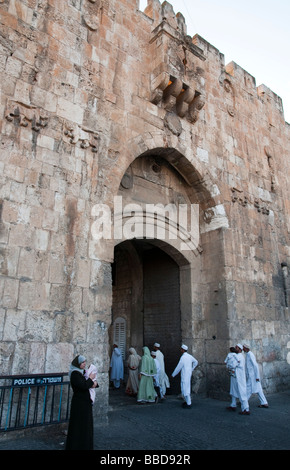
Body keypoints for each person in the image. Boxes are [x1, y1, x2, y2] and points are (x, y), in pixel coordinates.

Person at [66, 354, 97, 450]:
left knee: (85, 425)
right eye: (82, 362)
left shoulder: (81, 372)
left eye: (84, 362)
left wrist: (93, 383)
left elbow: (87, 383)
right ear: (77, 363)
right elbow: (83, 385)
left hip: (84, 403)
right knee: (79, 426)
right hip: (79, 404)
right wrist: (91, 379)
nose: (84, 364)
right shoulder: (75, 374)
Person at [226, 343, 250, 415]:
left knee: (242, 392)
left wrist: (229, 365)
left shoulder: (239, 356)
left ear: (239, 349)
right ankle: (233, 405)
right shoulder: (236, 356)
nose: (235, 349)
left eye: (236, 348)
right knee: (233, 390)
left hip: (239, 377)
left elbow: (233, 365)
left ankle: (246, 409)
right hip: (234, 376)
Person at [172, 344, 198, 409]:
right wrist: (192, 369)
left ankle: (188, 403)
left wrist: (173, 374)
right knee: (186, 388)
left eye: (181, 349)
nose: (180, 350)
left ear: (183, 350)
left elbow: (179, 367)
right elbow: (196, 362)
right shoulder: (189, 356)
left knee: (185, 389)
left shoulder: (183, 357)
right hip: (188, 374)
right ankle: (186, 401)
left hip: (185, 375)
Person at [243, 343, 269, 408]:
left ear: (246, 348)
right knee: (259, 390)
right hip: (251, 376)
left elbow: (255, 366)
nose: (242, 349)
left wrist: (257, 376)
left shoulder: (250, 355)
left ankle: (244, 402)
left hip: (253, 376)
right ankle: (264, 402)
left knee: (248, 389)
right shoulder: (248, 354)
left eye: (243, 347)